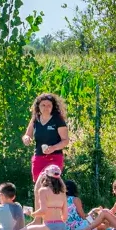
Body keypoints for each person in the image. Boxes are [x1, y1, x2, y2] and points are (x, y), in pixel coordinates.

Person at [22, 94, 69, 222]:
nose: (46, 107)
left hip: (54, 157)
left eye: (49, 105)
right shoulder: (35, 119)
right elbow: (27, 135)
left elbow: (65, 141)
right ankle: (42, 219)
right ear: (38, 106)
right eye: (43, 105)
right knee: (39, 188)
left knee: (44, 185)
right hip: (39, 157)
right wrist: (27, 139)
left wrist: (53, 148)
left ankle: (45, 219)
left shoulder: (57, 119)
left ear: (53, 106)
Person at [17, 165, 69, 230]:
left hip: (49, 227)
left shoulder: (43, 191)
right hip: (62, 227)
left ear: (46, 176)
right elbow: (65, 216)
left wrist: (31, 214)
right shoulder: (63, 193)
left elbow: (43, 210)